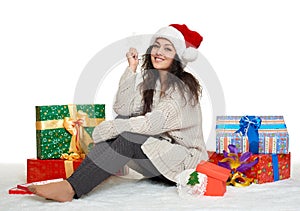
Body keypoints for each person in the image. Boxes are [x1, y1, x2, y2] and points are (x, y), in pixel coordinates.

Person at [28, 24, 209, 202]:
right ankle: (73, 182)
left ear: (178, 57)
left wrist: (111, 127)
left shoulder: (181, 89)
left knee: (130, 135)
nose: (159, 51)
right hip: (160, 160)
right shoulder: (151, 82)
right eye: (156, 45)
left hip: (185, 163)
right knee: (124, 122)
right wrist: (131, 69)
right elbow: (122, 108)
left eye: (168, 48)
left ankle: (71, 188)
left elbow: (152, 124)